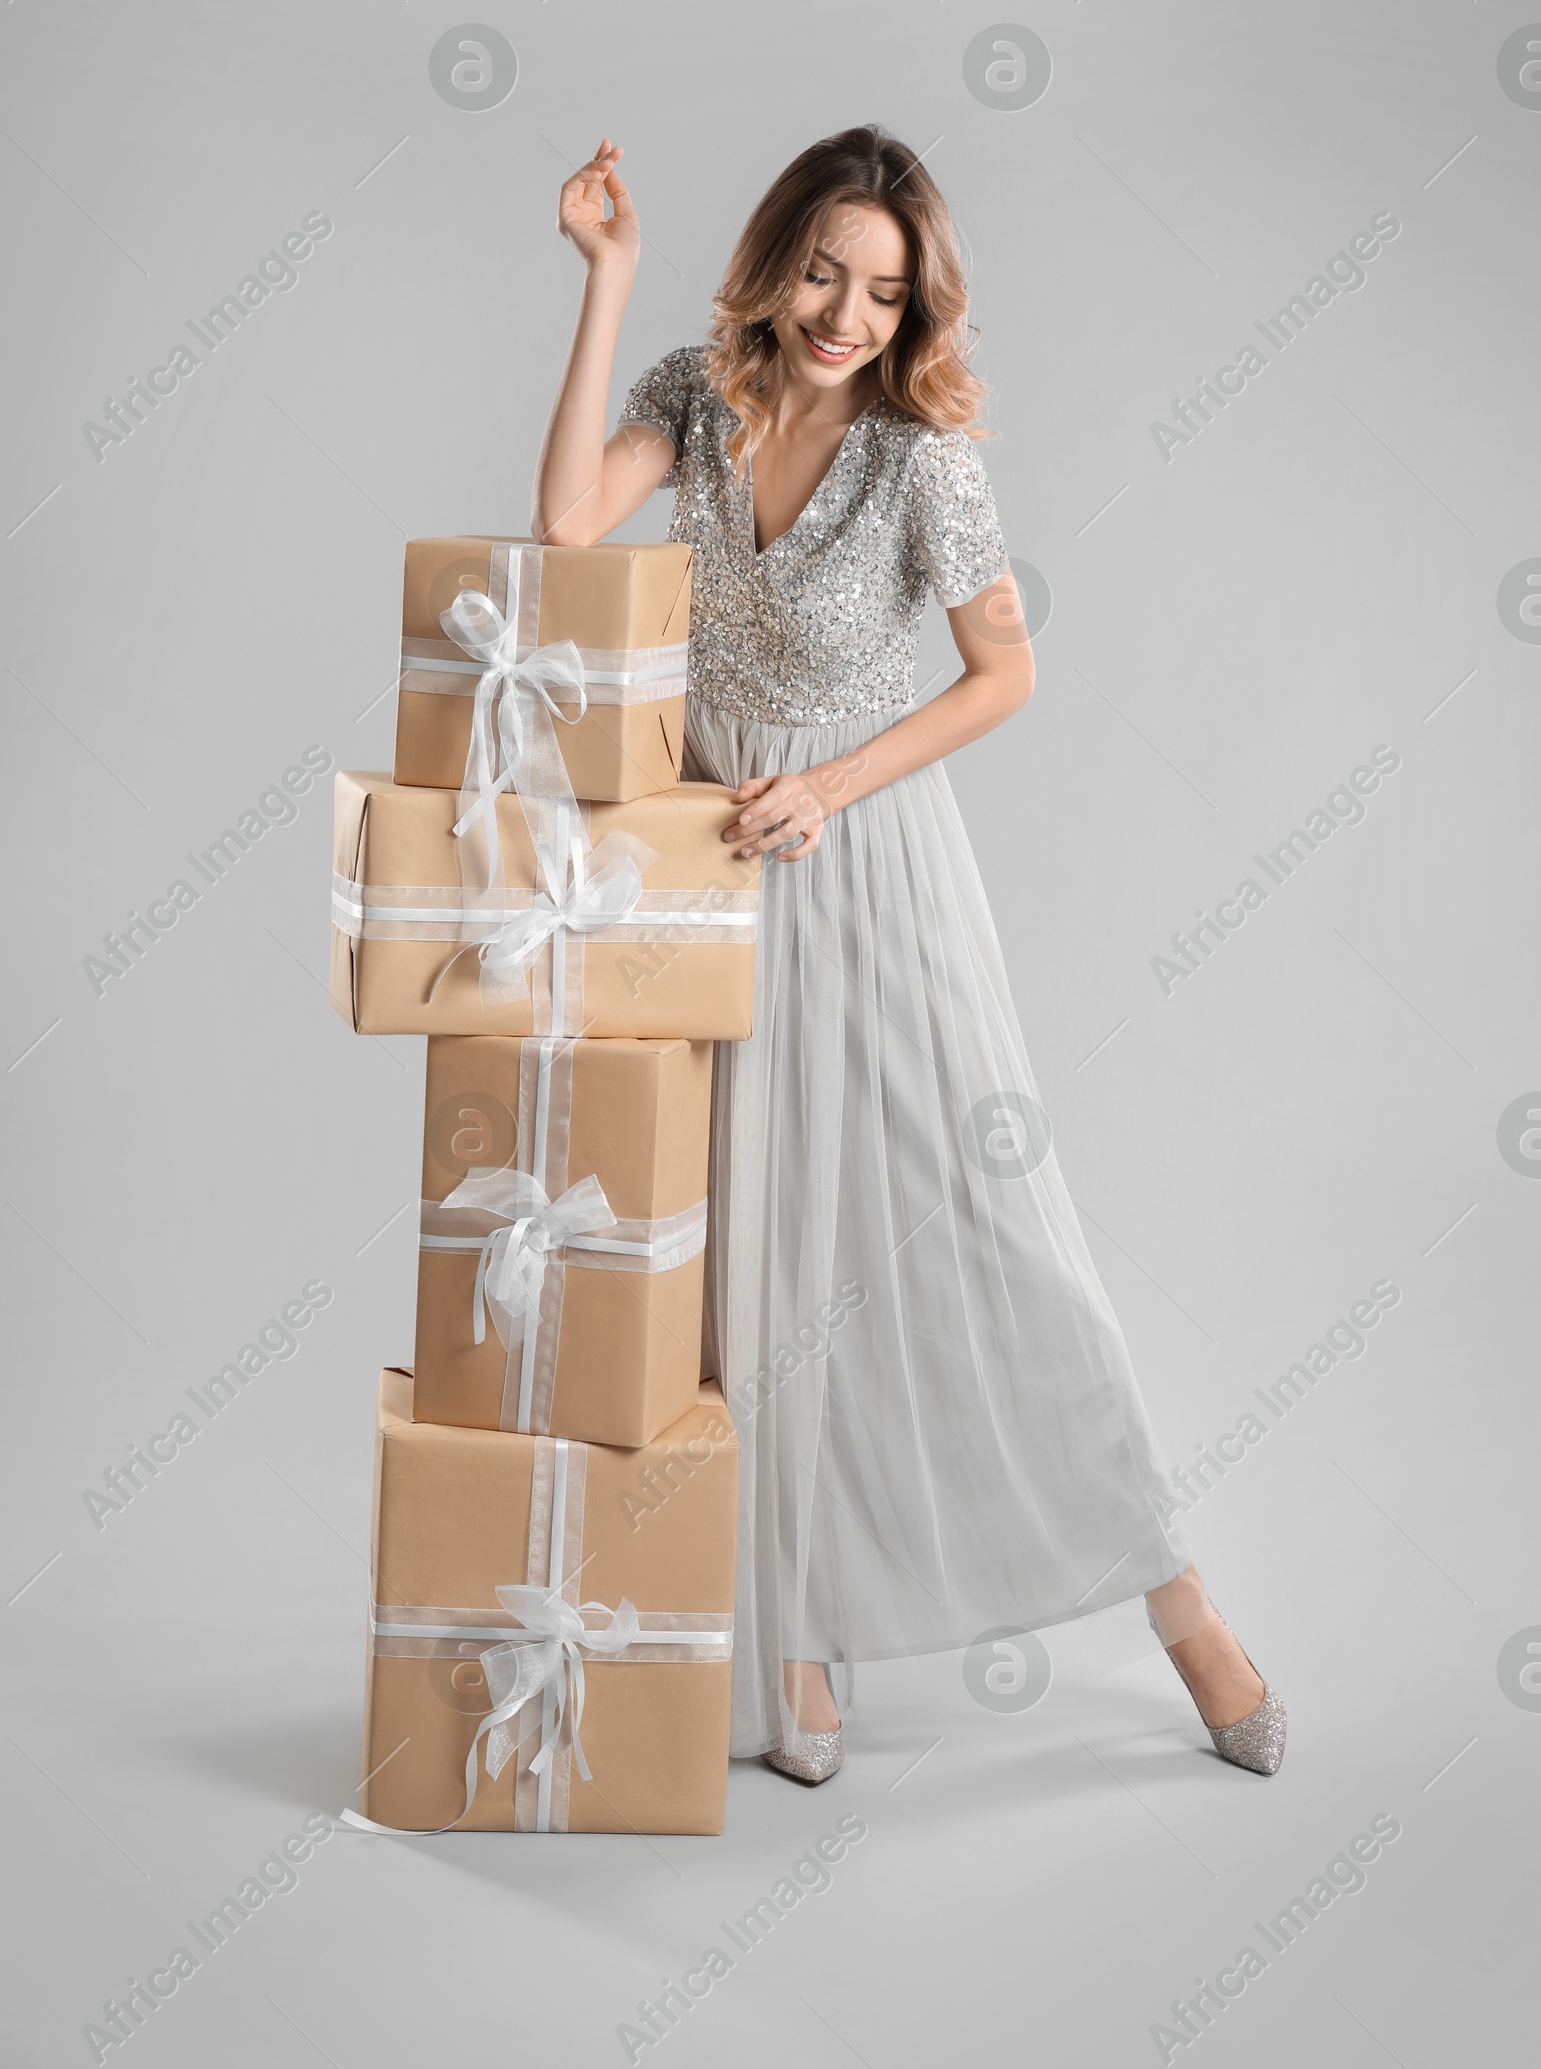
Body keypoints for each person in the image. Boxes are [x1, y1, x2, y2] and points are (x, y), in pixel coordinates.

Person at [529, 125, 1285, 1785]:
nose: (846, 315)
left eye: (882, 291)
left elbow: (1005, 677)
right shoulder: (700, 391)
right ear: (778, 253)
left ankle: (1186, 1613)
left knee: (990, 1237)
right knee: (735, 1262)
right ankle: (794, 1644)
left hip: (863, 869)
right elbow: (571, 530)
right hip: (707, 871)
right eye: (823, 271)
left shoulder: (919, 460)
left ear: (914, 306)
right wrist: (607, 284)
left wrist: (836, 780)